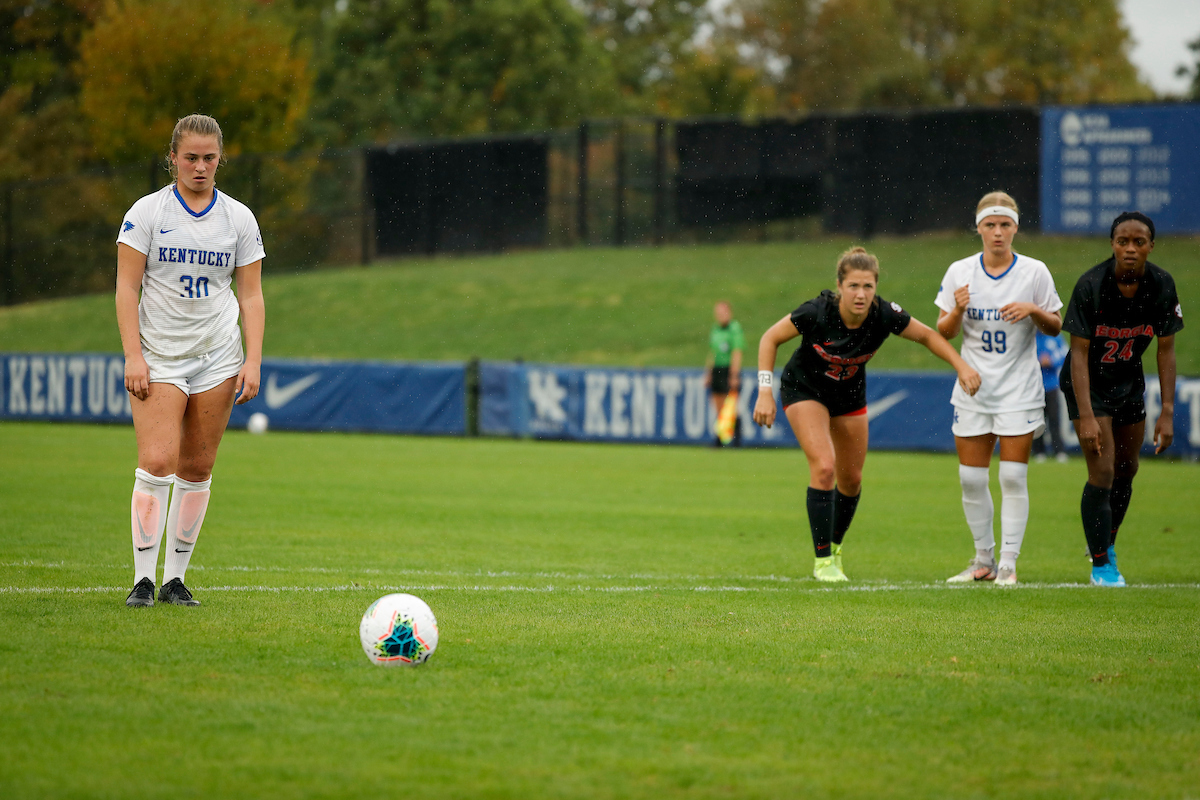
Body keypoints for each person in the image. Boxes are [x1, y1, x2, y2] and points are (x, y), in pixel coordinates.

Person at [754, 247, 981, 582]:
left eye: (868, 287)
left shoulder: (884, 314)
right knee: (825, 467)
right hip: (805, 390)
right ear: (839, 286)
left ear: (876, 288)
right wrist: (763, 391)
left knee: (852, 479)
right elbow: (769, 338)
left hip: (848, 396)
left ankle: (836, 547)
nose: (861, 294)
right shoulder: (816, 311)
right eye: (853, 286)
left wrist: (962, 366)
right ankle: (823, 562)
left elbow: (929, 336)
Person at [115, 114, 266, 607]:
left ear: (221, 158)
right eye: (191, 157)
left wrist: (253, 360)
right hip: (159, 354)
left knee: (198, 466)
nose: (200, 167)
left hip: (218, 355)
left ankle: (175, 580)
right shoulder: (147, 212)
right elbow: (126, 287)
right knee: (158, 460)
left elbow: (251, 295)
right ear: (173, 158)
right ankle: (141, 578)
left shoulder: (239, 218)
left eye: (209, 158)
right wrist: (133, 354)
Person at [936, 191, 1063, 586]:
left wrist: (1034, 310)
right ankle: (982, 559)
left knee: (1012, 477)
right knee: (971, 480)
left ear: (1016, 228)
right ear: (978, 228)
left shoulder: (1034, 271)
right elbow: (944, 331)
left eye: (1005, 224)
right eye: (990, 225)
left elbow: (1057, 325)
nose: (997, 232)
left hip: (1019, 389)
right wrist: (957, 309)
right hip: (973, 389)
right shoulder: (960, 271)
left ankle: (1008, 563)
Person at [1060, 212, 1183, 587]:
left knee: (1128, 470)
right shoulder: (1091, 286)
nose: (1130, 249)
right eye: (1123, 242)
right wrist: (1086, 415)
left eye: (1139, 242)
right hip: (1088, 385)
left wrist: (1167, 413)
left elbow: (1166, 351)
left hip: (1129, 382)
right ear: (1112, 244)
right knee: (1103, 471)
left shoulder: (1162, 285)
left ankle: (1106, 543)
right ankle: (1101, 565)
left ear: (1150, 246)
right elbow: (1078, 354)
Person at [705, 300, 744, 446]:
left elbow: (737, 352)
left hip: (728, 370)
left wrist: (734, 374)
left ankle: (737, 439)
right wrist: (708, 373)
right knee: (718, 406)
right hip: (717, 370)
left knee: (732, 405)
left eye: (723, 312)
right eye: (718, 313)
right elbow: (712, 352)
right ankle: (720, 438)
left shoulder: (734, 328)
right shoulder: (715, 329)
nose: (720, 316)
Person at [1033, 330, 1069, 462]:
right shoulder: (1030, 335)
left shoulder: (1055, 336)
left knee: (1054, 419)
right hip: (1034, 386)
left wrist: (1051, 360)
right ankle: (1039, 452)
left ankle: (1059, 451)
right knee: (1037, 420)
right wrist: (1038, 361)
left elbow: (1065, 354)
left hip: (1051, 386)